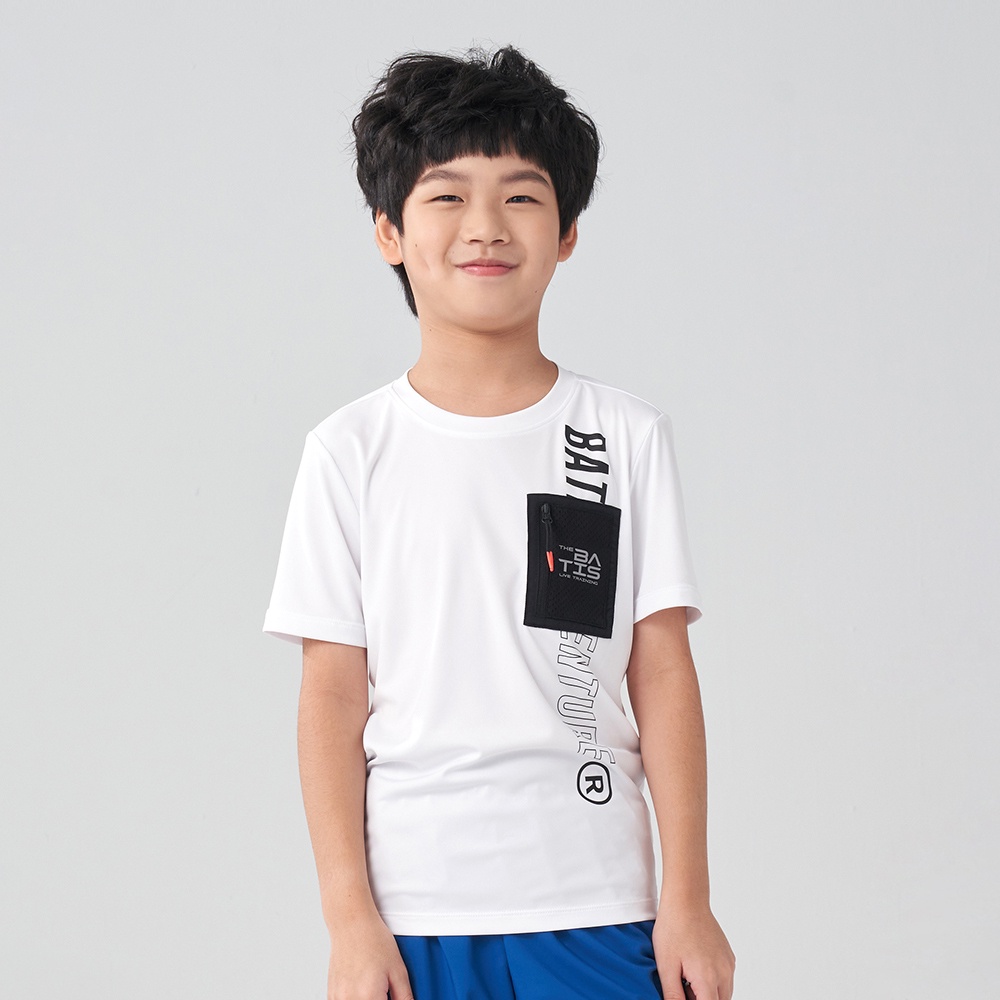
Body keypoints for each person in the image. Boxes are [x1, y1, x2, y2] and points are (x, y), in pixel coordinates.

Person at [264, 45, 736, 1000]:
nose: (485, 226)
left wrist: (688, 899)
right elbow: (332, 696)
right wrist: (349, 919)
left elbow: (661, 670)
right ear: (389, 231)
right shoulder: (349, 450)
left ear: (567, 233)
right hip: (416, 914)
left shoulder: (623, 436)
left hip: (598, 900)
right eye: (446, 196)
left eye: (521, 196)